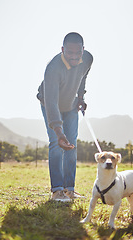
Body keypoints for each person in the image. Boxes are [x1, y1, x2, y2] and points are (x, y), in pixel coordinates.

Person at [37, 32, 93, 202]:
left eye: (78, 53)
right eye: (70, 53)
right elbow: (52, 102)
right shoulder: (53, 68)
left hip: (70, 105)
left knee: (72, 145)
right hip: (49, 104)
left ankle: (69, 189)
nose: (74, 57)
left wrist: (81, 98)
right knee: (56, 143)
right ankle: (57, 190)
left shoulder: (88, 58)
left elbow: (83, 77)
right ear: (62, 50)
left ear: (83, 50)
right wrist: (59, 131)